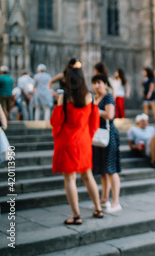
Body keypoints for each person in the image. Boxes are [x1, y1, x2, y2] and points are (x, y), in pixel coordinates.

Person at [51, 66, 104, 224]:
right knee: (88, 176)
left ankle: (76, 216)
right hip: (83, 141)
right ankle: (98, 209)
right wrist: (87, 136)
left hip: (67, 141)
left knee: (70, 179)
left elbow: (56, 121)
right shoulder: (90, 97)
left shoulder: (65, 97)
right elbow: (94, 122)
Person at [91, 75, 122, 213]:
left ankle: (116, 201)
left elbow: (110, 115)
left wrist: (96, 111)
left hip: (109, 134)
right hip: (98, 135)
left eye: (99, 83)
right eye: (94, 83)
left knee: (111, 169)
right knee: (103, 169)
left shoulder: (108, 97)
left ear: (105, 84)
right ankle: (104, 198)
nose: (97, 86)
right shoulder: (94, 98)